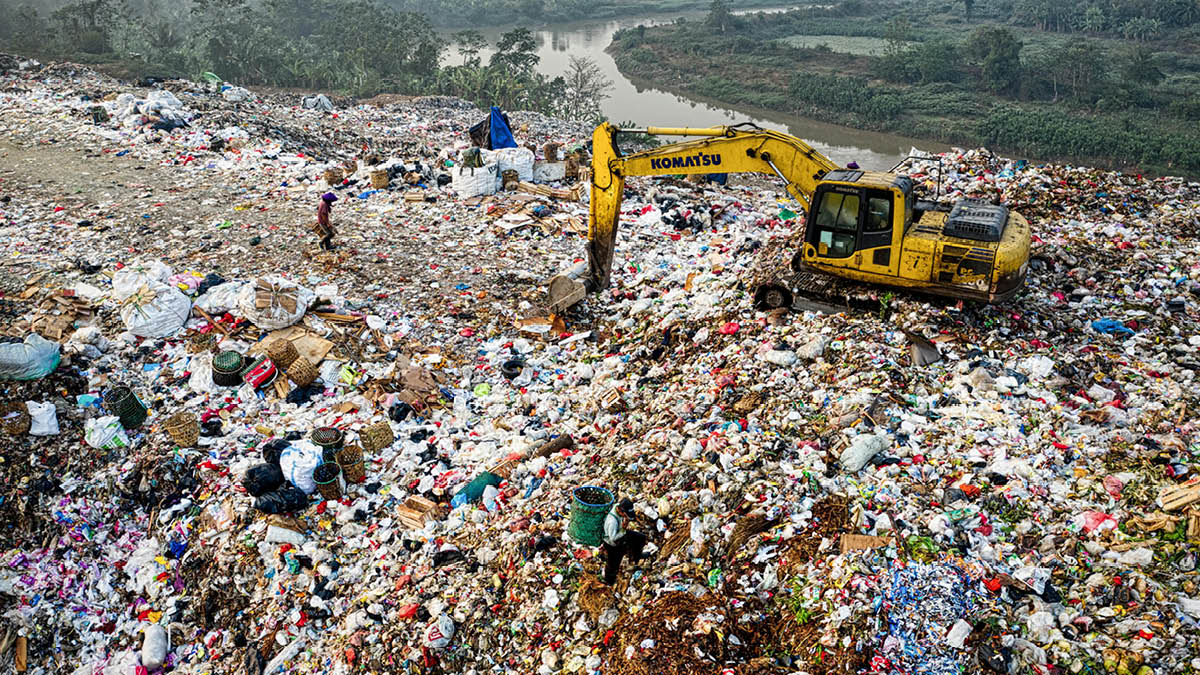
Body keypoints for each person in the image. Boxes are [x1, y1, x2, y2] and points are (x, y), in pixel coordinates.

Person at [601, 497, 647, 585]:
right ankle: (609, 582)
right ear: (621, 511)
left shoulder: (617, 507)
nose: (626, 517)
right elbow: (613, 538)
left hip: (621, 532)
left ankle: (636, 557)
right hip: (612, 543)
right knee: (613, 565)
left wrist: (624, 526)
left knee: (640, 538)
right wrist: (623, 529)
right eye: (625, 514)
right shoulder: (612, 522)